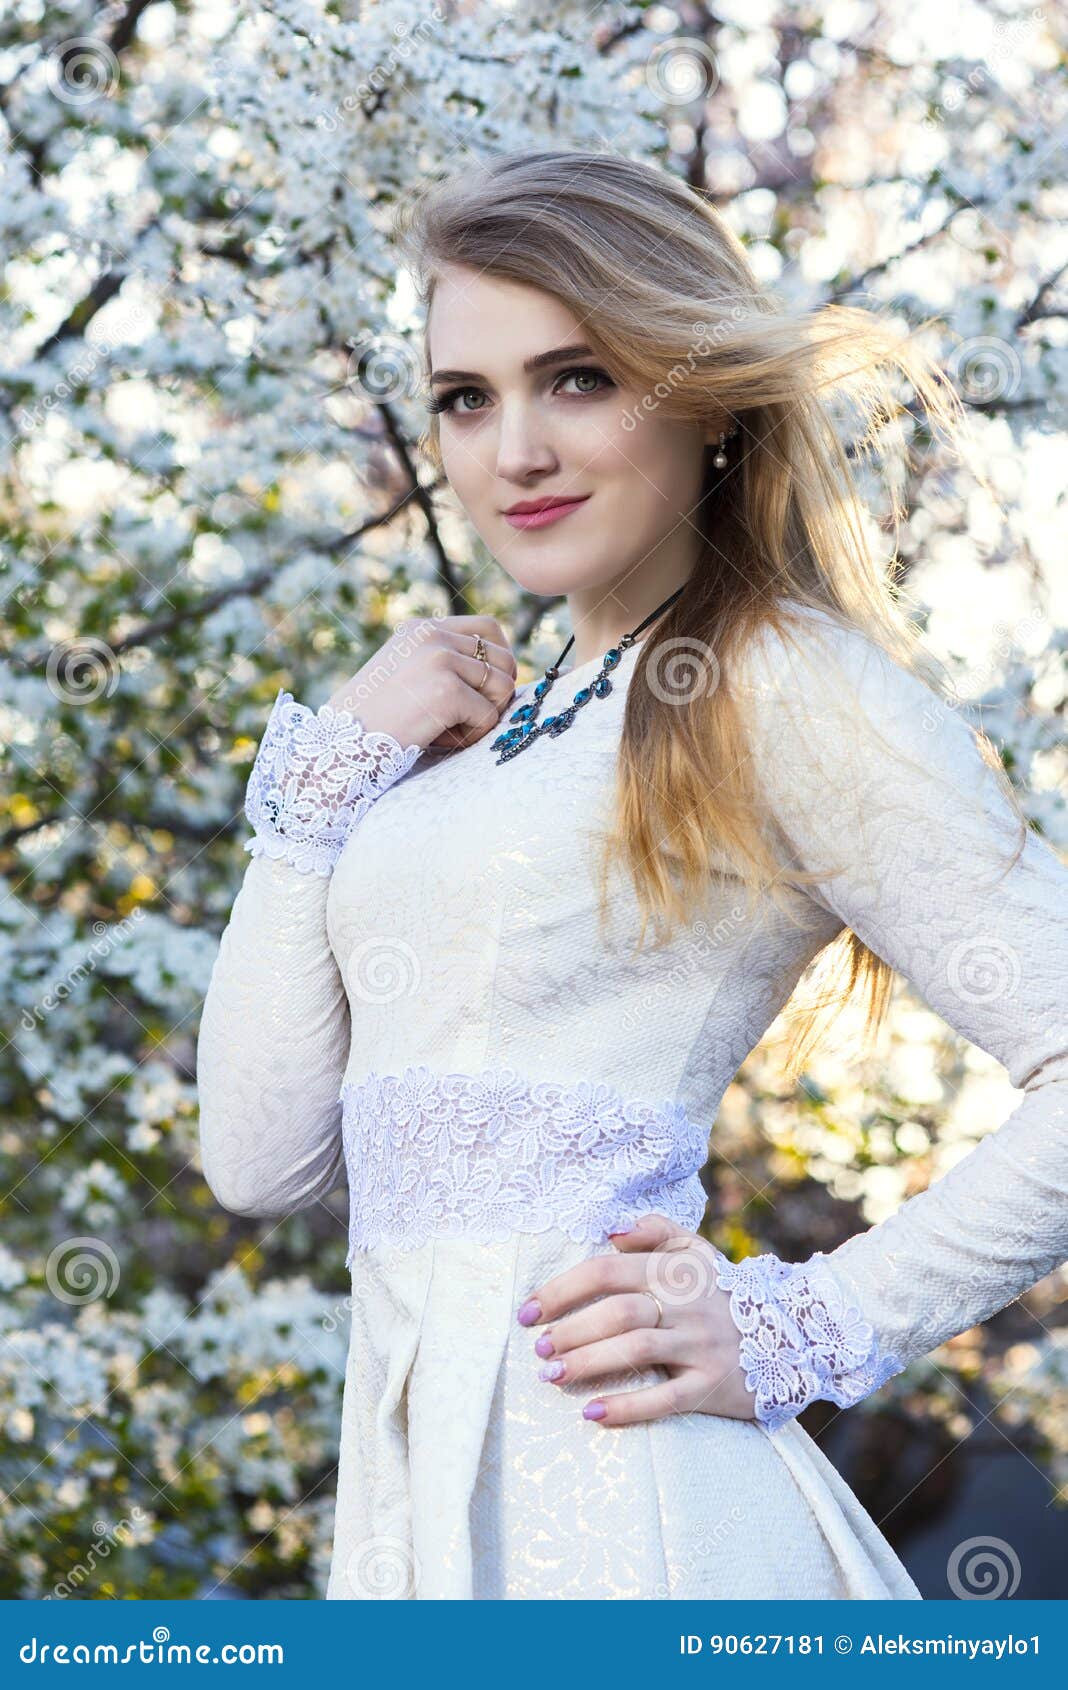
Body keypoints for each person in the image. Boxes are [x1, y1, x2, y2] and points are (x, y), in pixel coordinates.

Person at [196, 149, 1068, 1600]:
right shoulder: (474, 739)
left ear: (701, 396)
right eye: (465, 398)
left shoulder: (781, 683)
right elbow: (258, 1154)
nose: (512, 451)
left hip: (638, 1515)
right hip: (414, 1527)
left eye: (579, 379)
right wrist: (322, 786)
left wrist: (803, 1321)